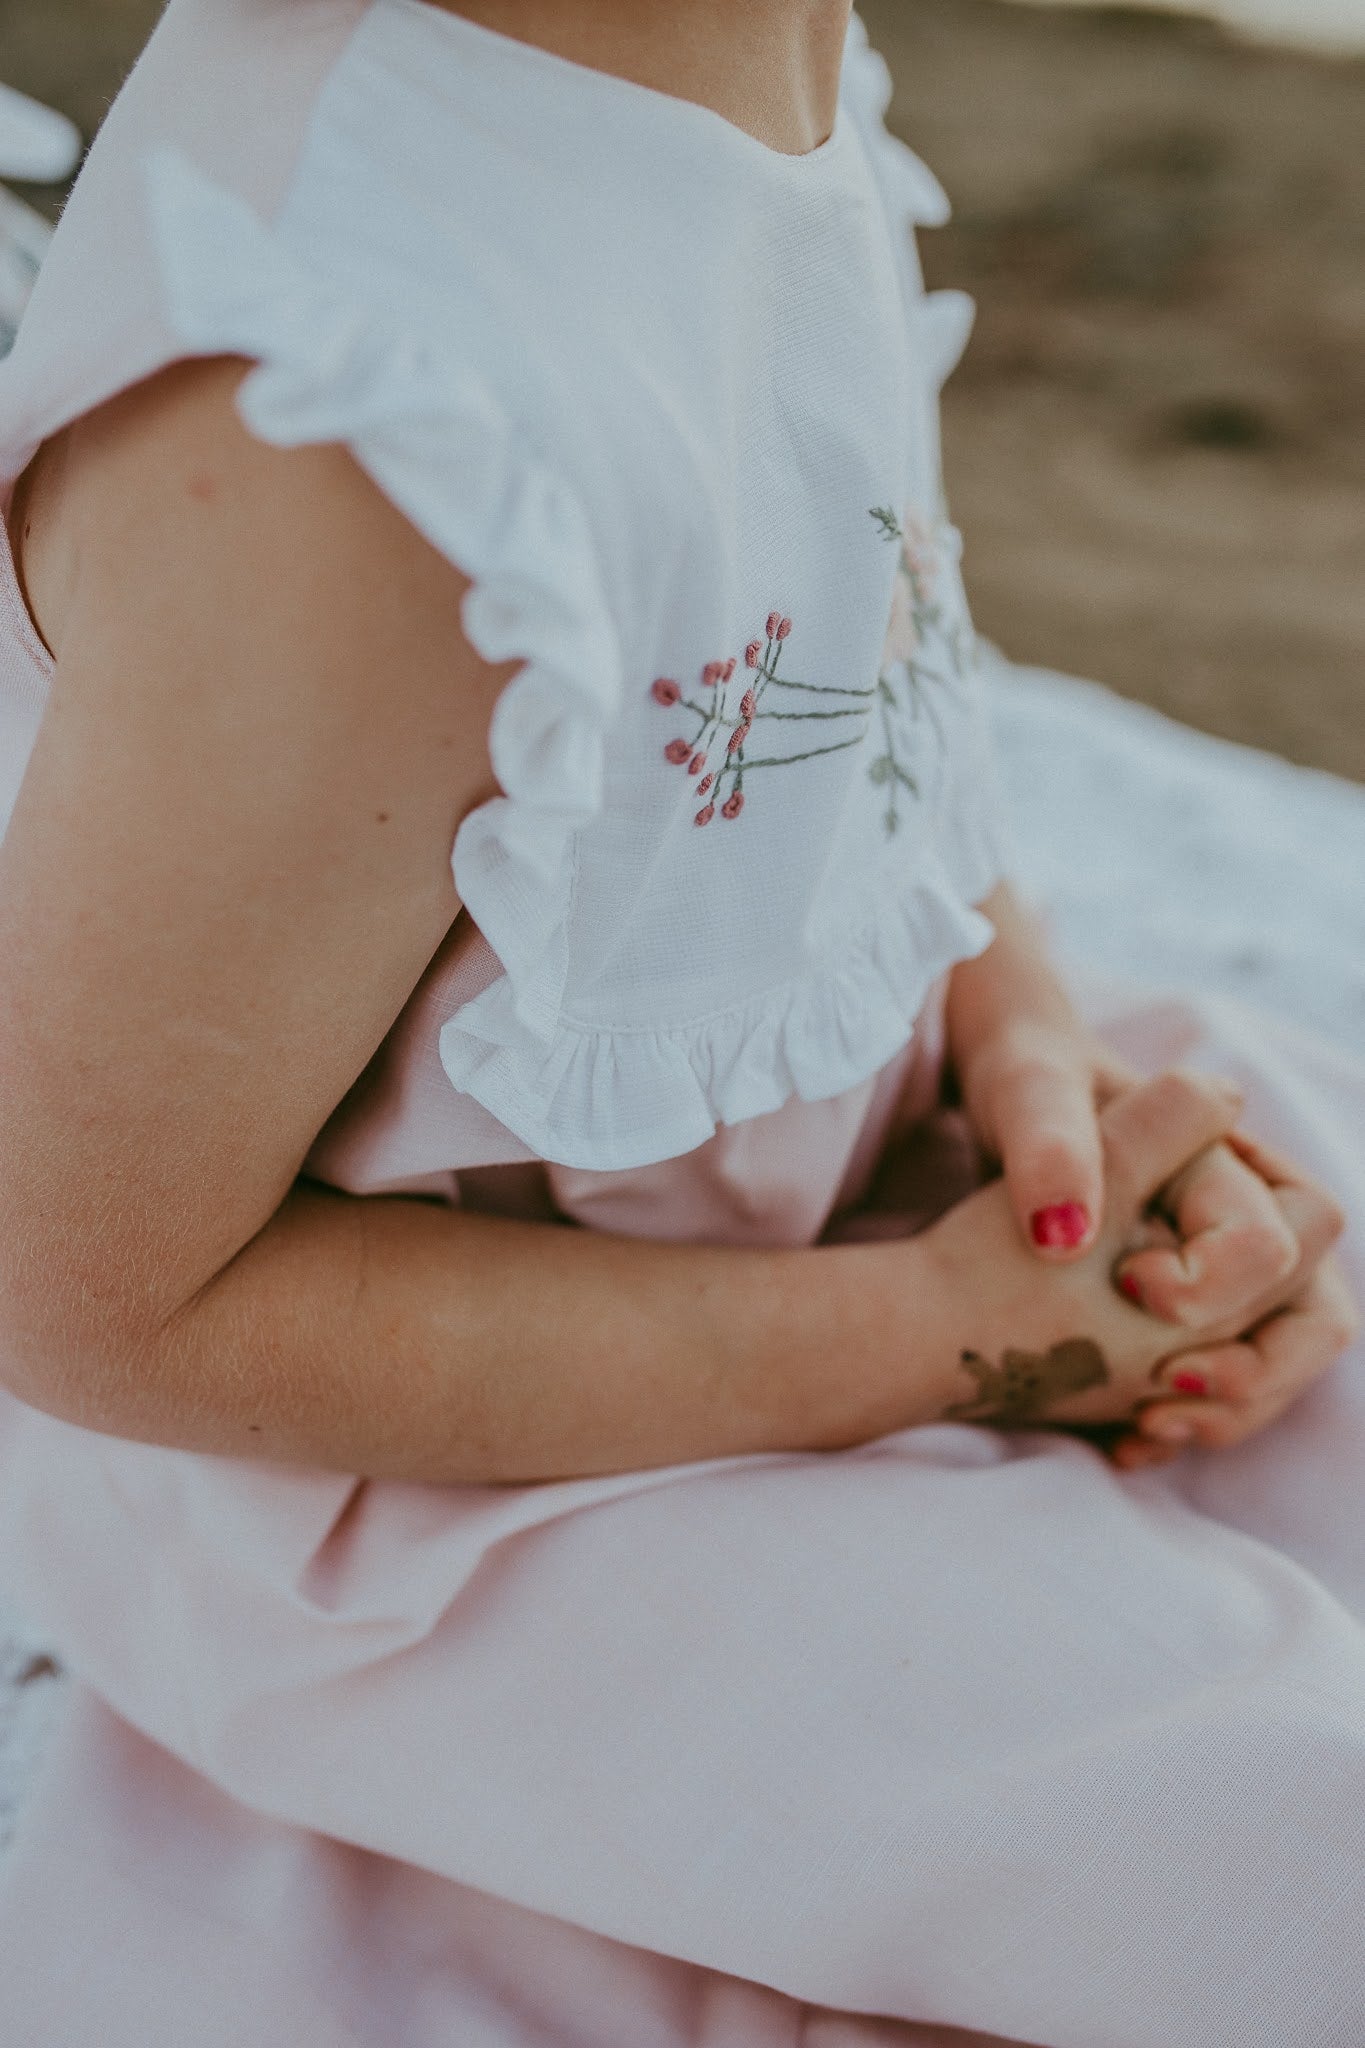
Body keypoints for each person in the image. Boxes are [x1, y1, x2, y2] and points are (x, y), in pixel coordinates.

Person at [0, 3, 1359, 2043]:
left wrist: (1029, 1049)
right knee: (1280, 1846)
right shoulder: (355, 416)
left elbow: (860, 653)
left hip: (834, 1161)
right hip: (444, 1465)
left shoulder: (747, 53)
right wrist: (940, 1336)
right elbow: (97, 1292)